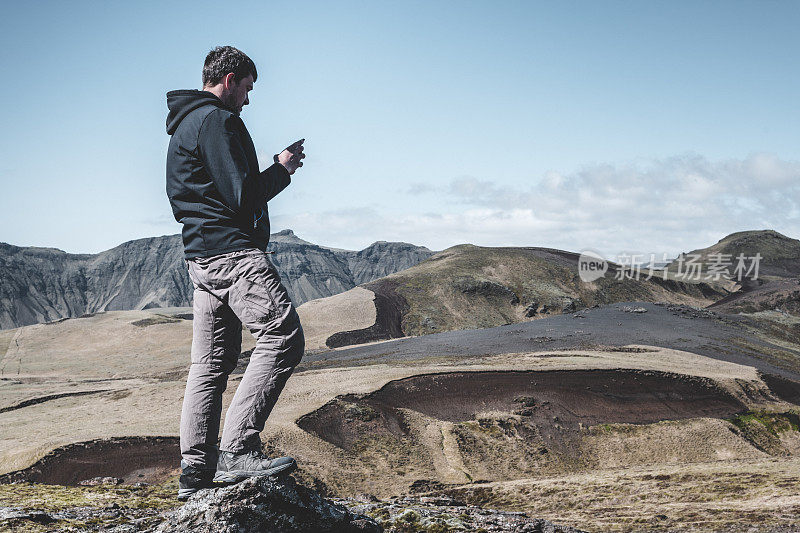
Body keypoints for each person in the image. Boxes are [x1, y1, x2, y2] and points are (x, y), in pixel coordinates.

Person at [165, 46, 306, 500]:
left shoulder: (184, 125)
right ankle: (238, 450)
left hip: (201, 258)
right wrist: (281, 171)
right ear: (229, 79)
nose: (248, 99)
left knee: (208, 365)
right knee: (283, 337)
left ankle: (195, 470)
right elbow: (242, 196)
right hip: (232, 255)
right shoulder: (217, 121)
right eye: (247, 87)